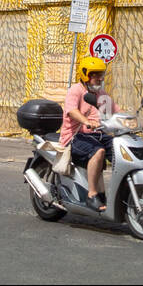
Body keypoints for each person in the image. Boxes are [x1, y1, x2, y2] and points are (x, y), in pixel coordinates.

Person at [60, 56, 121, 212]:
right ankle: (92, 194)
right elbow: (71, 110)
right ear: (86, 74)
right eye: (95, 74)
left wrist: (129, 119)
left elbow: (115, 110)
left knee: (121, 152)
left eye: (100, 74)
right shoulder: (76, 90)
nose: (99, 78)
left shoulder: (100, 93)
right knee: (98, 151)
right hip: (75, 137)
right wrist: (86, 121)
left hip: (97, 135)